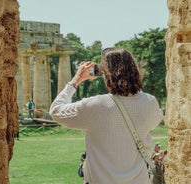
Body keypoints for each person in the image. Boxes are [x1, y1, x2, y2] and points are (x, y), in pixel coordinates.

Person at [49, 47, 163, 184]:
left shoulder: (95, 105)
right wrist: (133, 85)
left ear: (106, 74)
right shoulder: (150, 102)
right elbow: (153, 117)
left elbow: (56, 111)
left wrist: (76, 80)